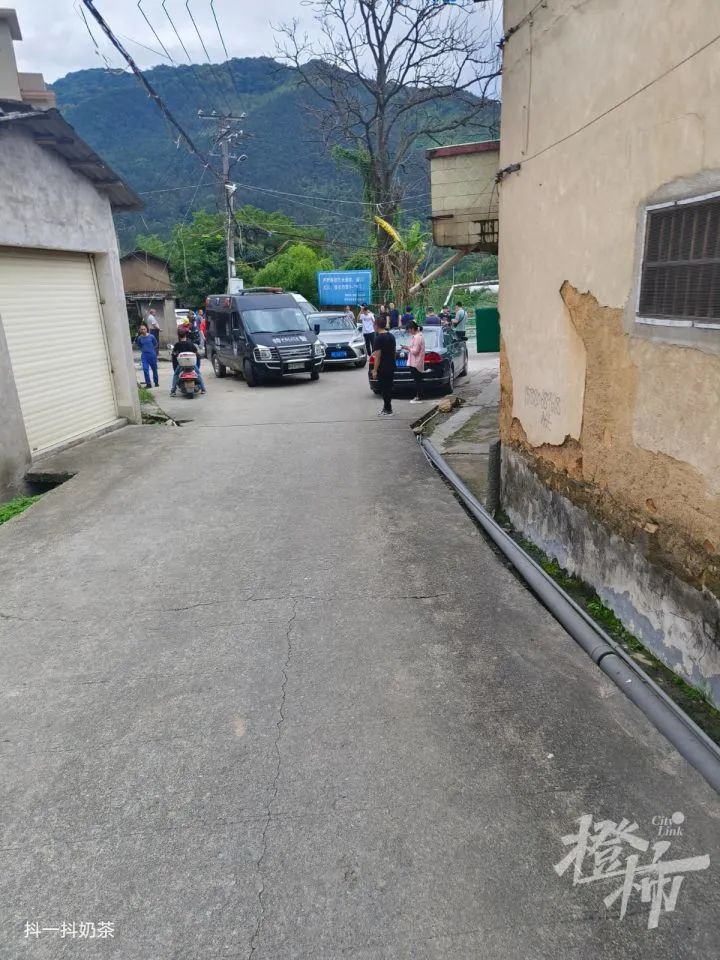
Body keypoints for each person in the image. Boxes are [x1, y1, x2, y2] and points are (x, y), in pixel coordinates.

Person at [370, 315, 397, 417]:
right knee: (388, 387)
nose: (373, 326)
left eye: (374, 324)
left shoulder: (378, 338)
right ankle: (387, 407)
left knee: (384, 388)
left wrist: (374, 370)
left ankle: (388, 409)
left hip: (383, 367)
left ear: (377, 326)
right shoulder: (391, 336)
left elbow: (378, 356)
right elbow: (394, 352)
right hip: (391, 365)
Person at [170, 329, 206, 396]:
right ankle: (203, 389)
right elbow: (197, 353)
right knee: (198, 374)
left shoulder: (177, 345)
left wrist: (175, 354)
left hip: (181, 365)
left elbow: (174, 354)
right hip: (192, 365)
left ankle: (173, 391)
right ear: (185, 335)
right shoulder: (190, 343)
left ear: (178, 336)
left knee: (176, 375)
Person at [406, 320, 426, 404]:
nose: (408, 332)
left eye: (409, 330)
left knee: (417, 380)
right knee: (418, 379)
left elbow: (415, 351)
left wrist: (408, 348)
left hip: (415, 362)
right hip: (416, 361)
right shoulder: (418, 336)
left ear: (412, 329)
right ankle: (419, 395)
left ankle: (419, 396)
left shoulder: (417, 337)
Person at [135, 322, 159, 389]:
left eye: (144, 329)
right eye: (141, 329)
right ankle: (148, 384)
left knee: (154, 369)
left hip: (152, 355)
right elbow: (139, 345)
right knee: (145, 369)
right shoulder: (139, 338)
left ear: (147, 329)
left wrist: (152, 351)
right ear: (140, 330)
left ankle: (156, 382)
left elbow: (156, 344)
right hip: (144, 356)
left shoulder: (151, 337)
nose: (143, 330)